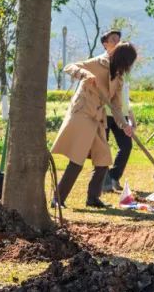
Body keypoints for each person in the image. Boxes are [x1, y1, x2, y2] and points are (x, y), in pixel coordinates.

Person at [51, 43, 138, 208]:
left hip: (98, 118)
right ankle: (57, 199)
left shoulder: (118, 77)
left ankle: (93, 198)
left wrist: (124, 124)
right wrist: (85, 74)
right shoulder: (98, 63)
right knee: (77, 158)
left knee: (103, 158)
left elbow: (116, 106)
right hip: (83, 113)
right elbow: (70, 67)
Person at [99, 29, 136, 193]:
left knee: (126, 146)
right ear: (105, 44)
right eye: (113, 39)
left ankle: (114, 176)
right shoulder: (101, 64)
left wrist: (130, 115)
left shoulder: (122, 66)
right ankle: (104, 181)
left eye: (119, 40)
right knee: (102, 149)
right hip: (103, 113)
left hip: (120, 113)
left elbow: (124, 94)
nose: (117, 42)